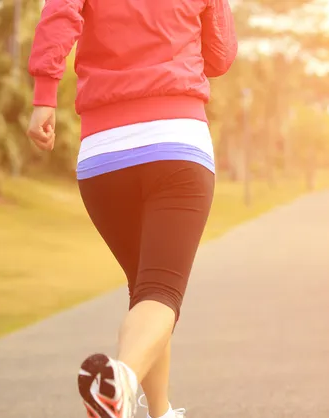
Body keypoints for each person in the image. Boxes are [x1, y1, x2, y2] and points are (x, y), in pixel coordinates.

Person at [26, 0, 237, 417]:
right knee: (160, 293)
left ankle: (161, 413)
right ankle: (120, 382)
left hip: (104, 156)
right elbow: (220, 55)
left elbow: (59, 15)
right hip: (177, 144)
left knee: (146, 292)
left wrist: (44, 97)